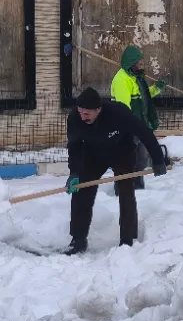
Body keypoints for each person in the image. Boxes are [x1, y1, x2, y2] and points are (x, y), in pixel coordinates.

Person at [64, 87, 168, 255]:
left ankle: (127, 240)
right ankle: (78, 239)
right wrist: (74, 173)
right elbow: (74, 147)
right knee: (81, 190)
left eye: (87, 114)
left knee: (126, 190)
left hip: (122, 152)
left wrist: (157, 159)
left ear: (98, 109)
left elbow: (144, 133)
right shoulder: (75, 119)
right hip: (93, 154)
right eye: (81, 112)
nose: (83, 117)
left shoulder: (118, 113)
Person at [110, 45, 167, 191]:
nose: (141, 65)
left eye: (141, 62)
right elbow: (123, 109)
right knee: (127, 161)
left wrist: (157, 88)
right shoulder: (122, 80)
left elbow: (143, 97)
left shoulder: (136, 77)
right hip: (129, 128)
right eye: (138, 62)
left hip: (140, 126)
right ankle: (123, 190)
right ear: (131, 62)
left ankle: (138, 189)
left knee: (141, 159)